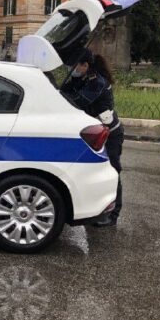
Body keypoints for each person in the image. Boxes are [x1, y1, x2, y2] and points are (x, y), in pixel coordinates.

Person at [61, 49, 124, 227]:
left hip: (110, 134)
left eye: (73, 67)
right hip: (93, 133)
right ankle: (98, 209)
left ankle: (113, 215)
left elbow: (79, 102)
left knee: (112, 170)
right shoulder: (79, 79)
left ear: (85, 66)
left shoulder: (97, 82)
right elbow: (64, 92)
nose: (71, 70)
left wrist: (60, 96)